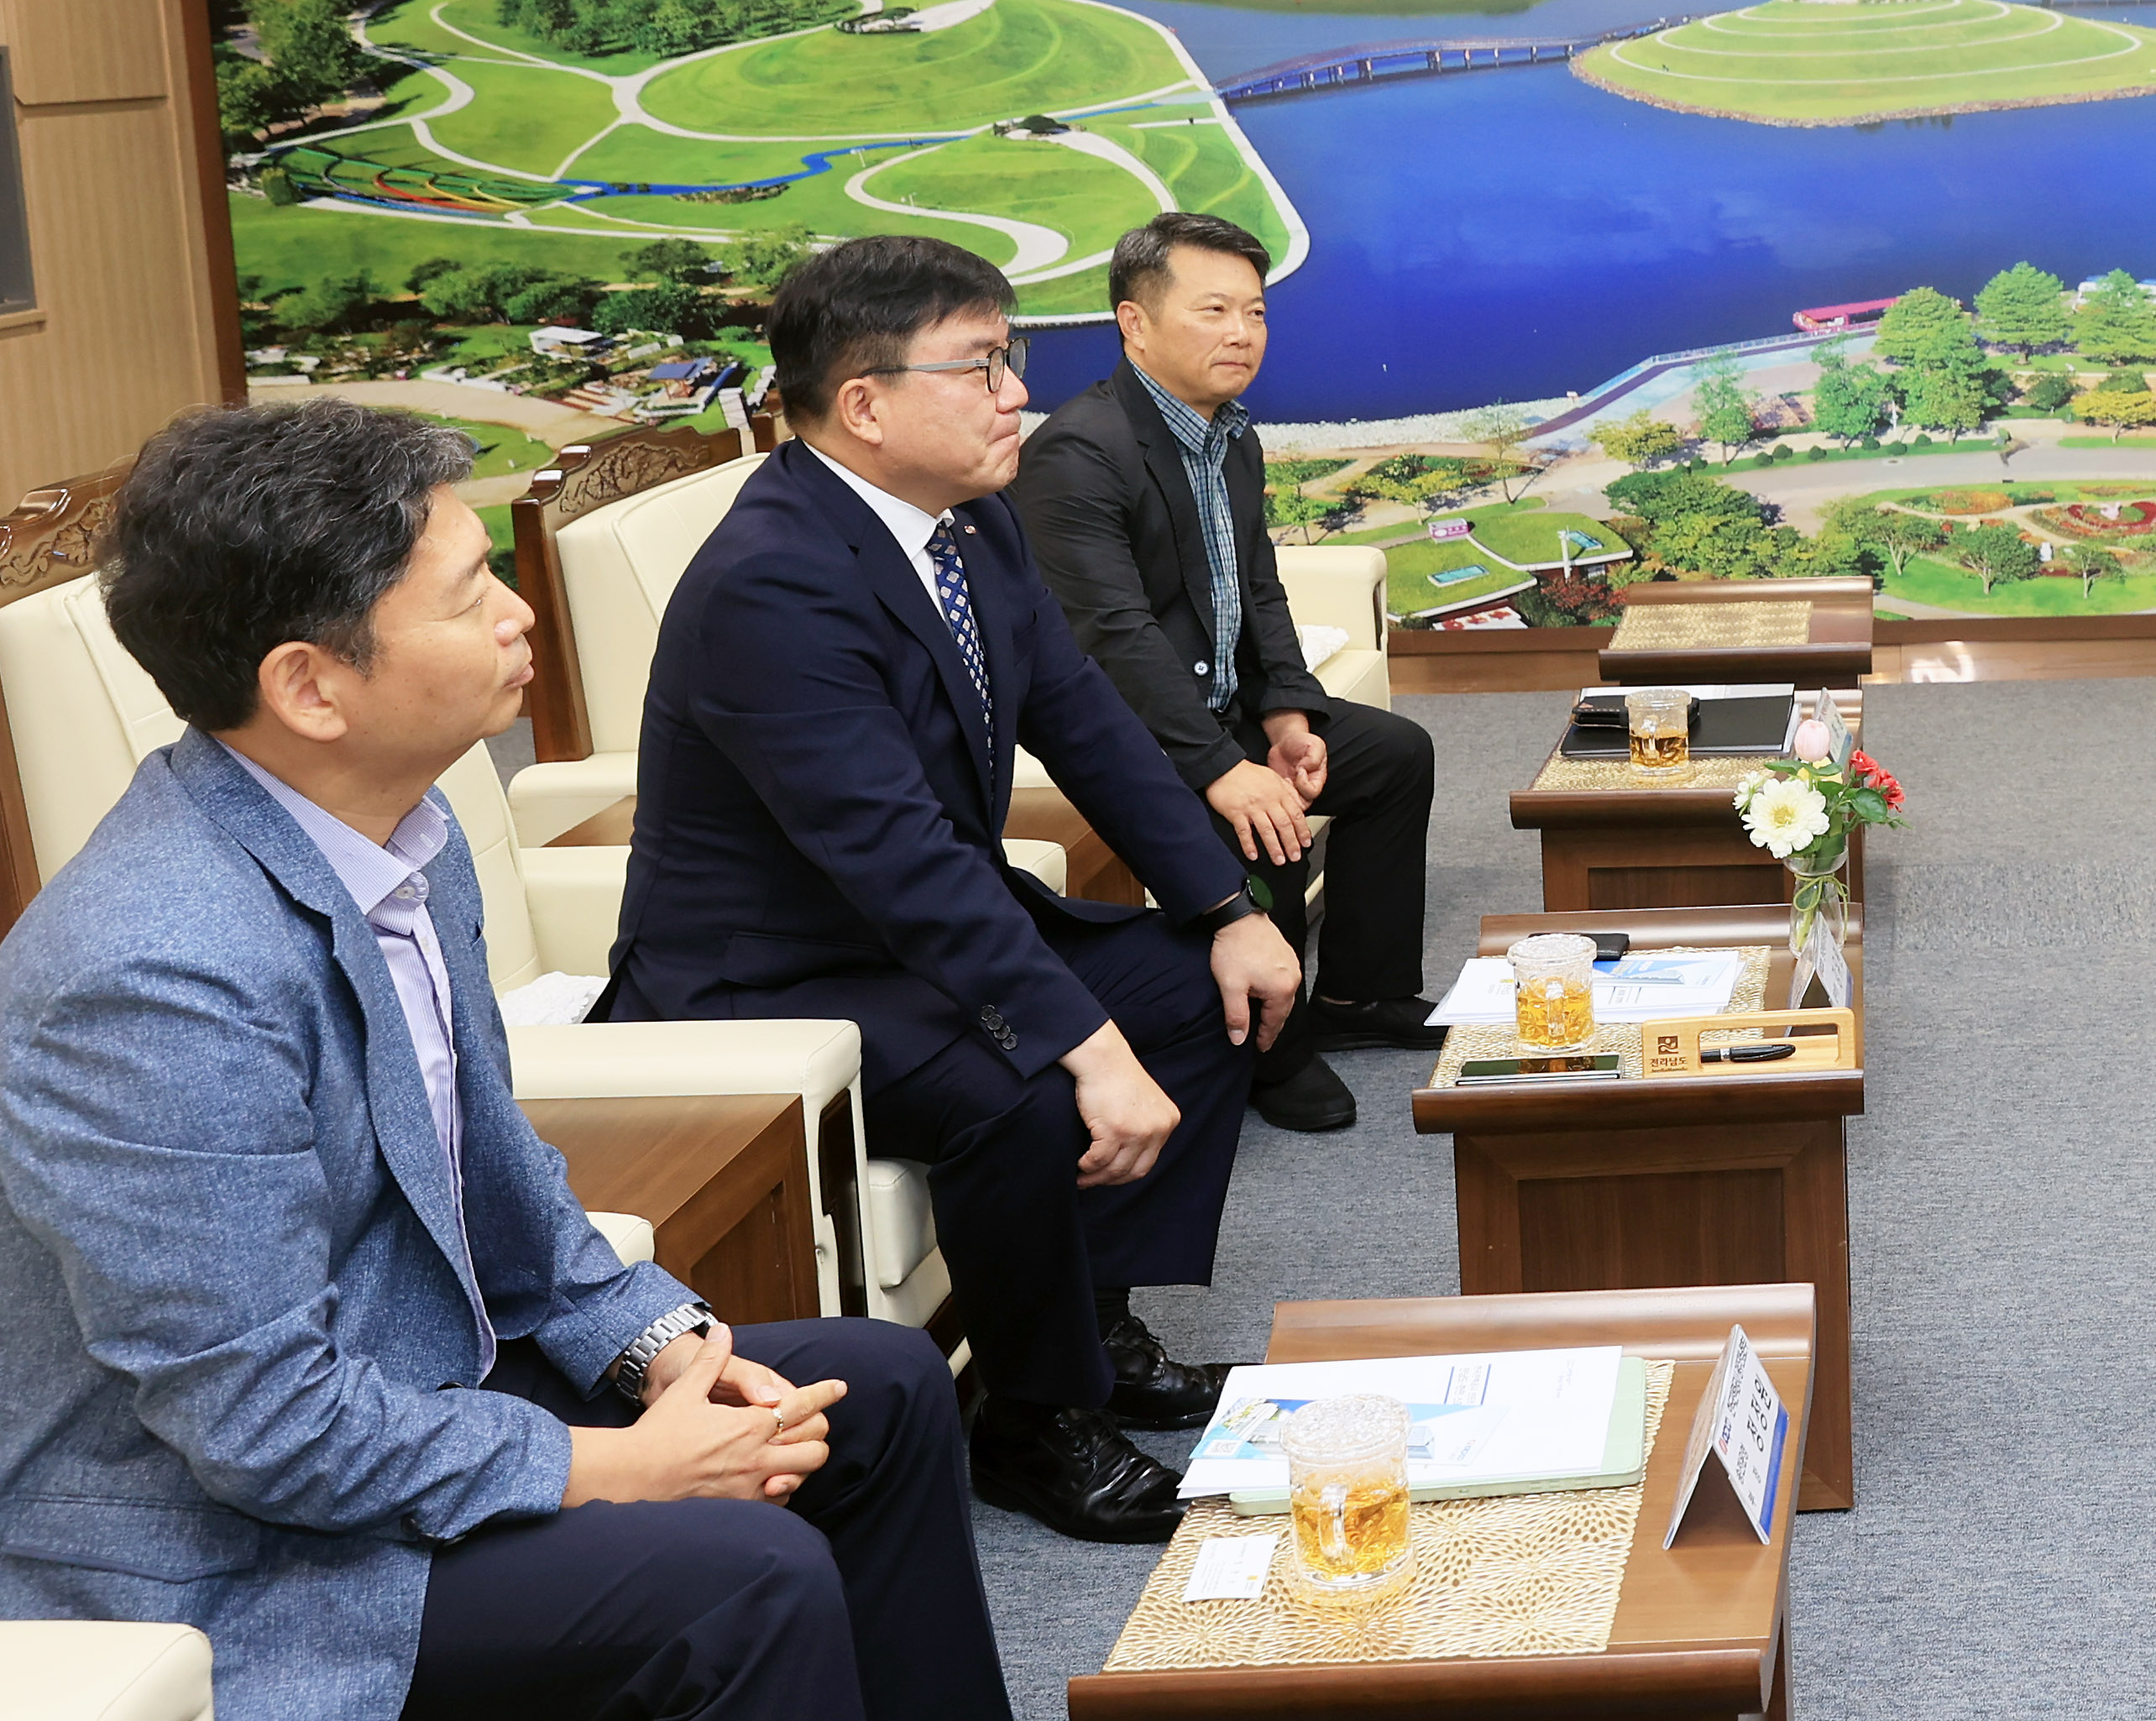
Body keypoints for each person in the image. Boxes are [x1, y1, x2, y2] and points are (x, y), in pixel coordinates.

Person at [0, 400, 1002, 1721]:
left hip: (405, 1383)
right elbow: (257, 1425)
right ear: (310, 683)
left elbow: (492, 1171)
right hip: (222, 1542)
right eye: (474, 596)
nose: (522, 615)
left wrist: (661, 1348)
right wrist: (622, 1468)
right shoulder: (154, 977)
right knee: (740, 1575)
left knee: (876, 1388)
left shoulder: (404, 833)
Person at [606, 234, 1298, 1546]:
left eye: (1012, 361)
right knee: (1018, 1095)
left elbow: (1089, 724)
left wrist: (1227, 912)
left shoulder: (971, 522)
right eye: (982, 367)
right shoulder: (775, 578)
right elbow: (895, 858)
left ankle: (1092, 1325)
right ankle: (1035, 1424)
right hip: (777, 972)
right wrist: (1082, 1048)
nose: (1015, 396)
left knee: (1202, 994)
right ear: (863, 405)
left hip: (911, 941)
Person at [1014, 212, 1436, 1139]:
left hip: (1218, 709)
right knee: (1264, 829)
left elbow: (1258, 587)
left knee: (1394, 755)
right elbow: (1114, 641)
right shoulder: (1078, 453)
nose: (1242, 332)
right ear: (1134, 322)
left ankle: (1363, 998)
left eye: (1254, 311)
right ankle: (1266, 1058)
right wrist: (1222, 766)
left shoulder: (1228, 436)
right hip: (1127, 735)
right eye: (1213, 309)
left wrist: (1287, 717)